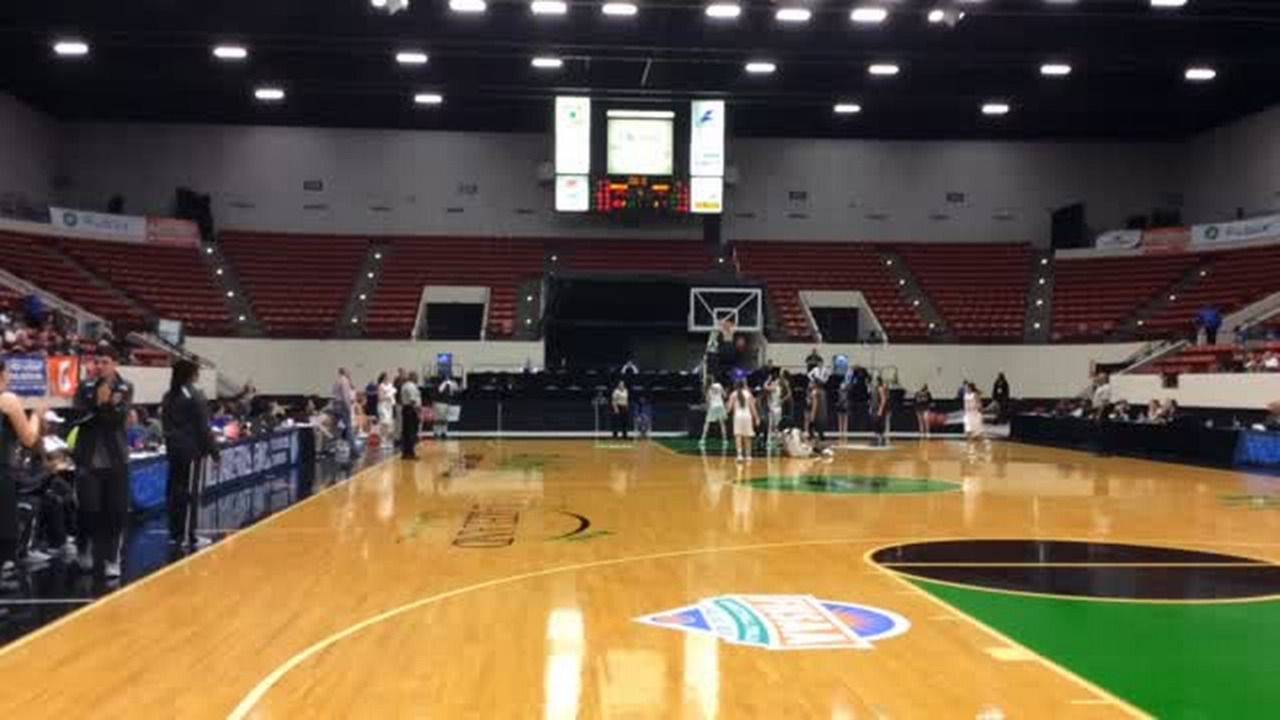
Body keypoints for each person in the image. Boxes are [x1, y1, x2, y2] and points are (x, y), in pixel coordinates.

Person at [72, 347, 134, 578]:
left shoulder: (126, 388)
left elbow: (117, 421)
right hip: (88, 460)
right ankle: (83, 547)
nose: (100, 366)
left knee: (116, 511)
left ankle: (112, 558)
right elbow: (78, 415)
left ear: (115, 363)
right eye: (97, 362)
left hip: (116, 461)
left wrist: (103, 407)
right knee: (88, 509)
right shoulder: (85, 387)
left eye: (105, 361)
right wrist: (102, 407)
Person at [161, 359, 219, 548]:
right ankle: (188, 535)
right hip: (191, 451)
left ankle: (175, 533)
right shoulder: (195, 395)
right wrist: (214, 451)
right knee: (189, 493)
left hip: (174, 450)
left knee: (175, 491)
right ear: (191, 374)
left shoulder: (169, 395)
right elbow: (203, 427)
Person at [0, 360, 45, 575]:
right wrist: (36, 416)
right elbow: (28, 439)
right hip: (2, 471)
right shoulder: (7, 399)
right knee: (5, 533)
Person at [728, 378, 760, 463]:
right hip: (747, 416)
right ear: (744, 385)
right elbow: (753, 408)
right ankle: (748, 455)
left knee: (738, 435)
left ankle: (739, 455)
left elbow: (729, 408)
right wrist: (756, 417)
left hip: (738, 417)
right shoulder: (748, 394)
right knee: (747, 436)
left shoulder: (733, 394)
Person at [399, 372, 422, 460]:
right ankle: (411, 453)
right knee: (411, 432)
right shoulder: (411, 386)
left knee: (406, 432)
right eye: (416, 377)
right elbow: (413, 401)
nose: (417, 379)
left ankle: (405, 453)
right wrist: (417, 412)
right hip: (411, 410)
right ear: (413, 377)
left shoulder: (404, 385)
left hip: (405, 409)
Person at [700, 378, 728, 449]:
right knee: (722, 423)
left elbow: (708, 401)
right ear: (712, 380)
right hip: (720, 406)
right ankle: (725, 440)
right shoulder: (719, 385)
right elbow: (725, 395)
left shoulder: (707, 389)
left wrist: (707, 409)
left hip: (713, 407)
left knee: (707, 423)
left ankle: (703, 439)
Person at [331, 368, 355, 442]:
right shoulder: (344, 381)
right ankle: (353, 449)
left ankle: (331, 445)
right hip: (343, 405)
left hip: (336, 404)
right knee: (348, 427)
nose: (350, 374)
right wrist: (348, 407)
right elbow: (345, 396)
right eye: (348, 373)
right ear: (345, 373)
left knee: (337, 426)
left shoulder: (336, 381)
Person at [435, 375, 460, 439]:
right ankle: (437, 433)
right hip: (440, 403)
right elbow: (440, 390)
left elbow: (456, 390)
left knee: (445, 419)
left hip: (447, 403)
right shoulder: (441, 384)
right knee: (439, 419)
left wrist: (453, 384)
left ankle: (444, 433)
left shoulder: (451, 384)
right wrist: (445, 383)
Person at [806, 378, 827, 442]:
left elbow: (815, 404)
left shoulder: (815, 392)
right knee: (820, 430)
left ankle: (813, 439)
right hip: (823, 413)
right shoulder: (823, 391)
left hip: (817, 413)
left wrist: (813, 414)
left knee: (810, 427)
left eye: (812, 383)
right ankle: (820, 439)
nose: (810, 384)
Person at [377, 372, 396, 439]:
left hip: (389, 406)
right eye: (386, 377)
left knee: (389, 423)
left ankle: (387, 438)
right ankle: (382, 438)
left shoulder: (390, 385)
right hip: (383, 405)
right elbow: (380, 398)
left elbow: (393, 394)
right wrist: (387, 396)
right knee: (384, 422)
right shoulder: (381, 386)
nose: (388, 378)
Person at [872, 375, 890, 447]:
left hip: (879, 408)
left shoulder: (880, 388)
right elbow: (873, 399)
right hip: (875, 408)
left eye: (874, 380)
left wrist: (880, 409)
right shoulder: (875, 388)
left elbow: (883, 400)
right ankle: (876, 439)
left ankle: (882, 440)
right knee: (875, 423)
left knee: (880, 424)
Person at [835, 373, 851, 445]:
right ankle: (840, 435)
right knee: (840, 421)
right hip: (841, 406)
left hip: (845, 405)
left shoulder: (847, 390)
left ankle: (845, 435)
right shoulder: (839, 391)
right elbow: (838, 398)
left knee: (845, 421)